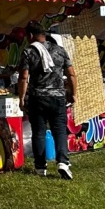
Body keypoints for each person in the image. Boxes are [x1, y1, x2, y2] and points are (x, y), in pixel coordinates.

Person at [16, 21, 78, 180]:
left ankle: (40, 167)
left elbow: (23, 77)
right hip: (58, 97)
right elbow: (71, 74)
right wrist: (73, 94)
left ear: (30, 35)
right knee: (60, 131)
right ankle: (63, 162)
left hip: (37, 98)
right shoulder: (60, 50)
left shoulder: (28, 52)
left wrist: (21, 98)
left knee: (39, 132)